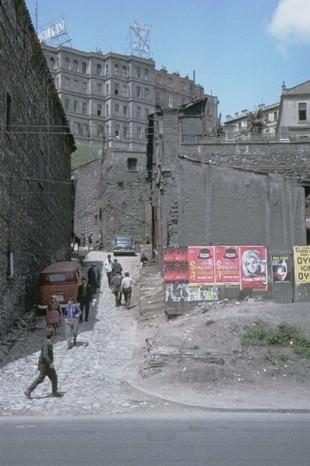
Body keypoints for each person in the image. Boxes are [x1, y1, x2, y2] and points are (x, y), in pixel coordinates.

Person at [24, 329, 62, 399]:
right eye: (54, 335)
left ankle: (54, 392)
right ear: (51, 336)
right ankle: (28, 390)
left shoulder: (48, 342)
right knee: (40, 378)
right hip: (45, 365)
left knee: (54, 377)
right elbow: (45, 355)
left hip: (47, 365)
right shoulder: (46, 344)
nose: (54, 336)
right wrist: (50, 362)